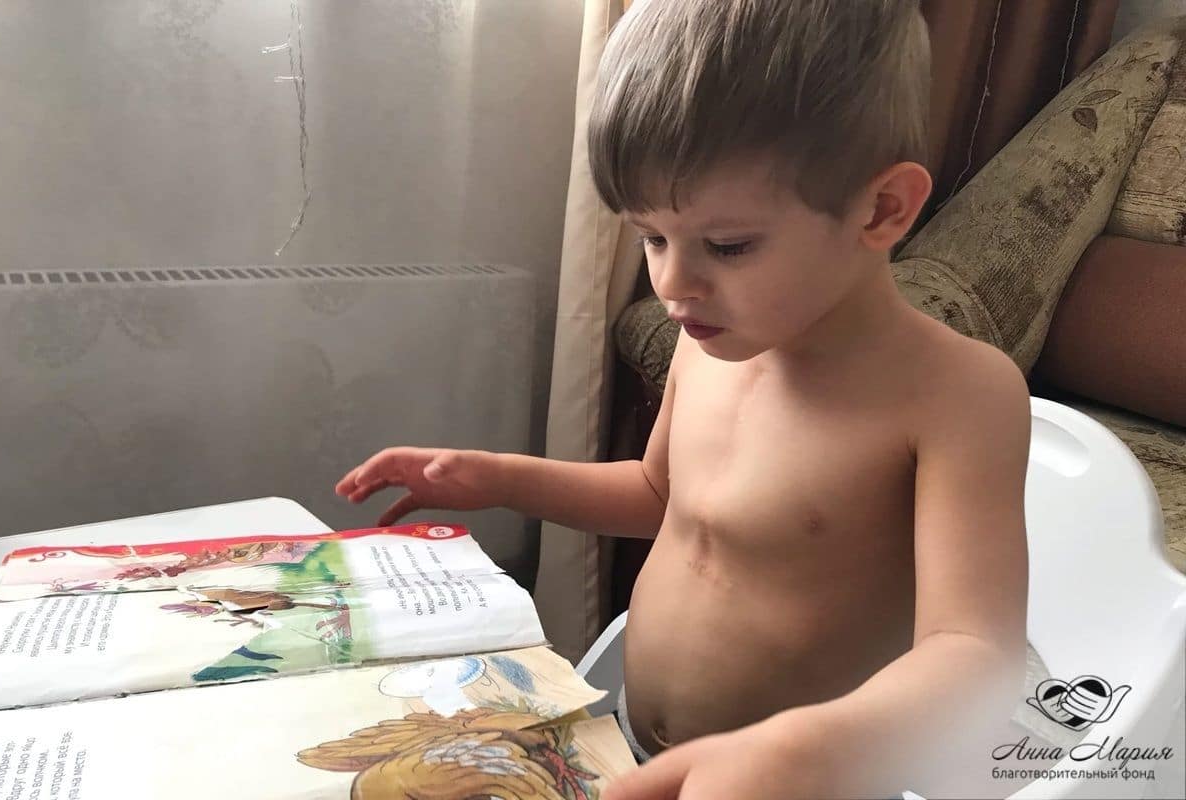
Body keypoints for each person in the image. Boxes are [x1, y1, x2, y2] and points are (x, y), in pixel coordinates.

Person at [336, 1, 1031, 796]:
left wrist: (802, 749)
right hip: (633, 746)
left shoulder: (955, 395)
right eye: (652, 237)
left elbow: (975, 652)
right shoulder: (708, 347)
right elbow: (657, 495)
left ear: (883, 209)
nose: (672, 283)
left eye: (727, 246)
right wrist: (498, 478)